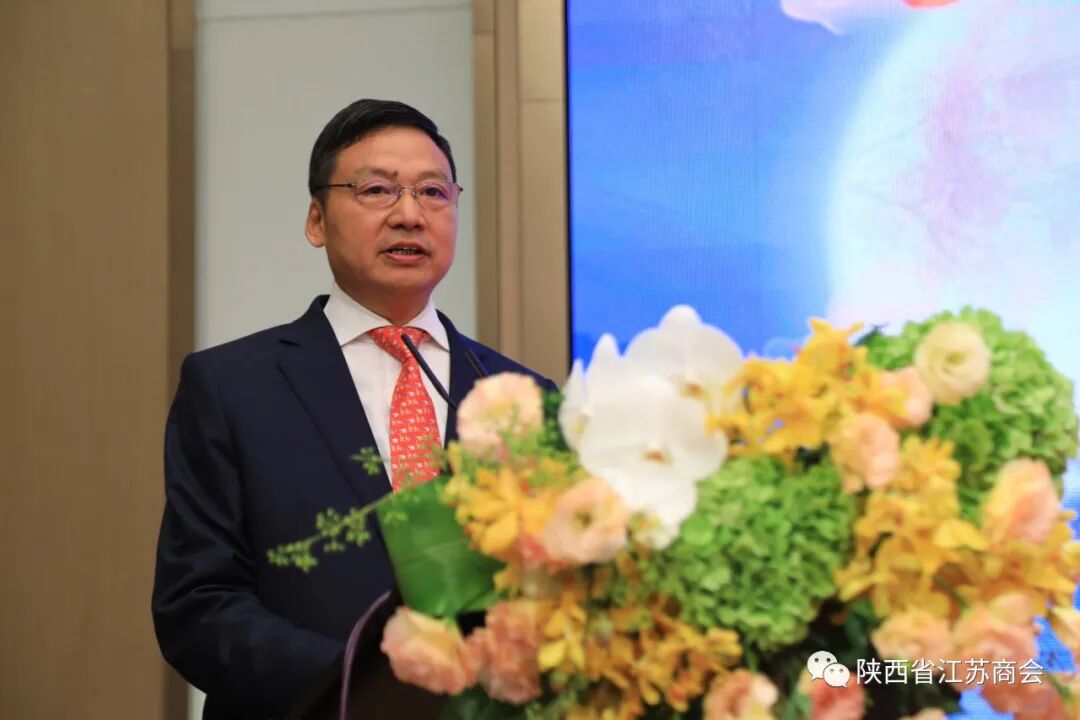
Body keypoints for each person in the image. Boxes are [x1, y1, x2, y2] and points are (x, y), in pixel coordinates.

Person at [152, 99, 556, 720]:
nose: (409, 214)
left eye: (433, 192)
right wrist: (365, 688)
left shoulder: (522, 396)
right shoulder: (232, 386)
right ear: (316, 220)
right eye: (377, 190)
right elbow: (197, 605)